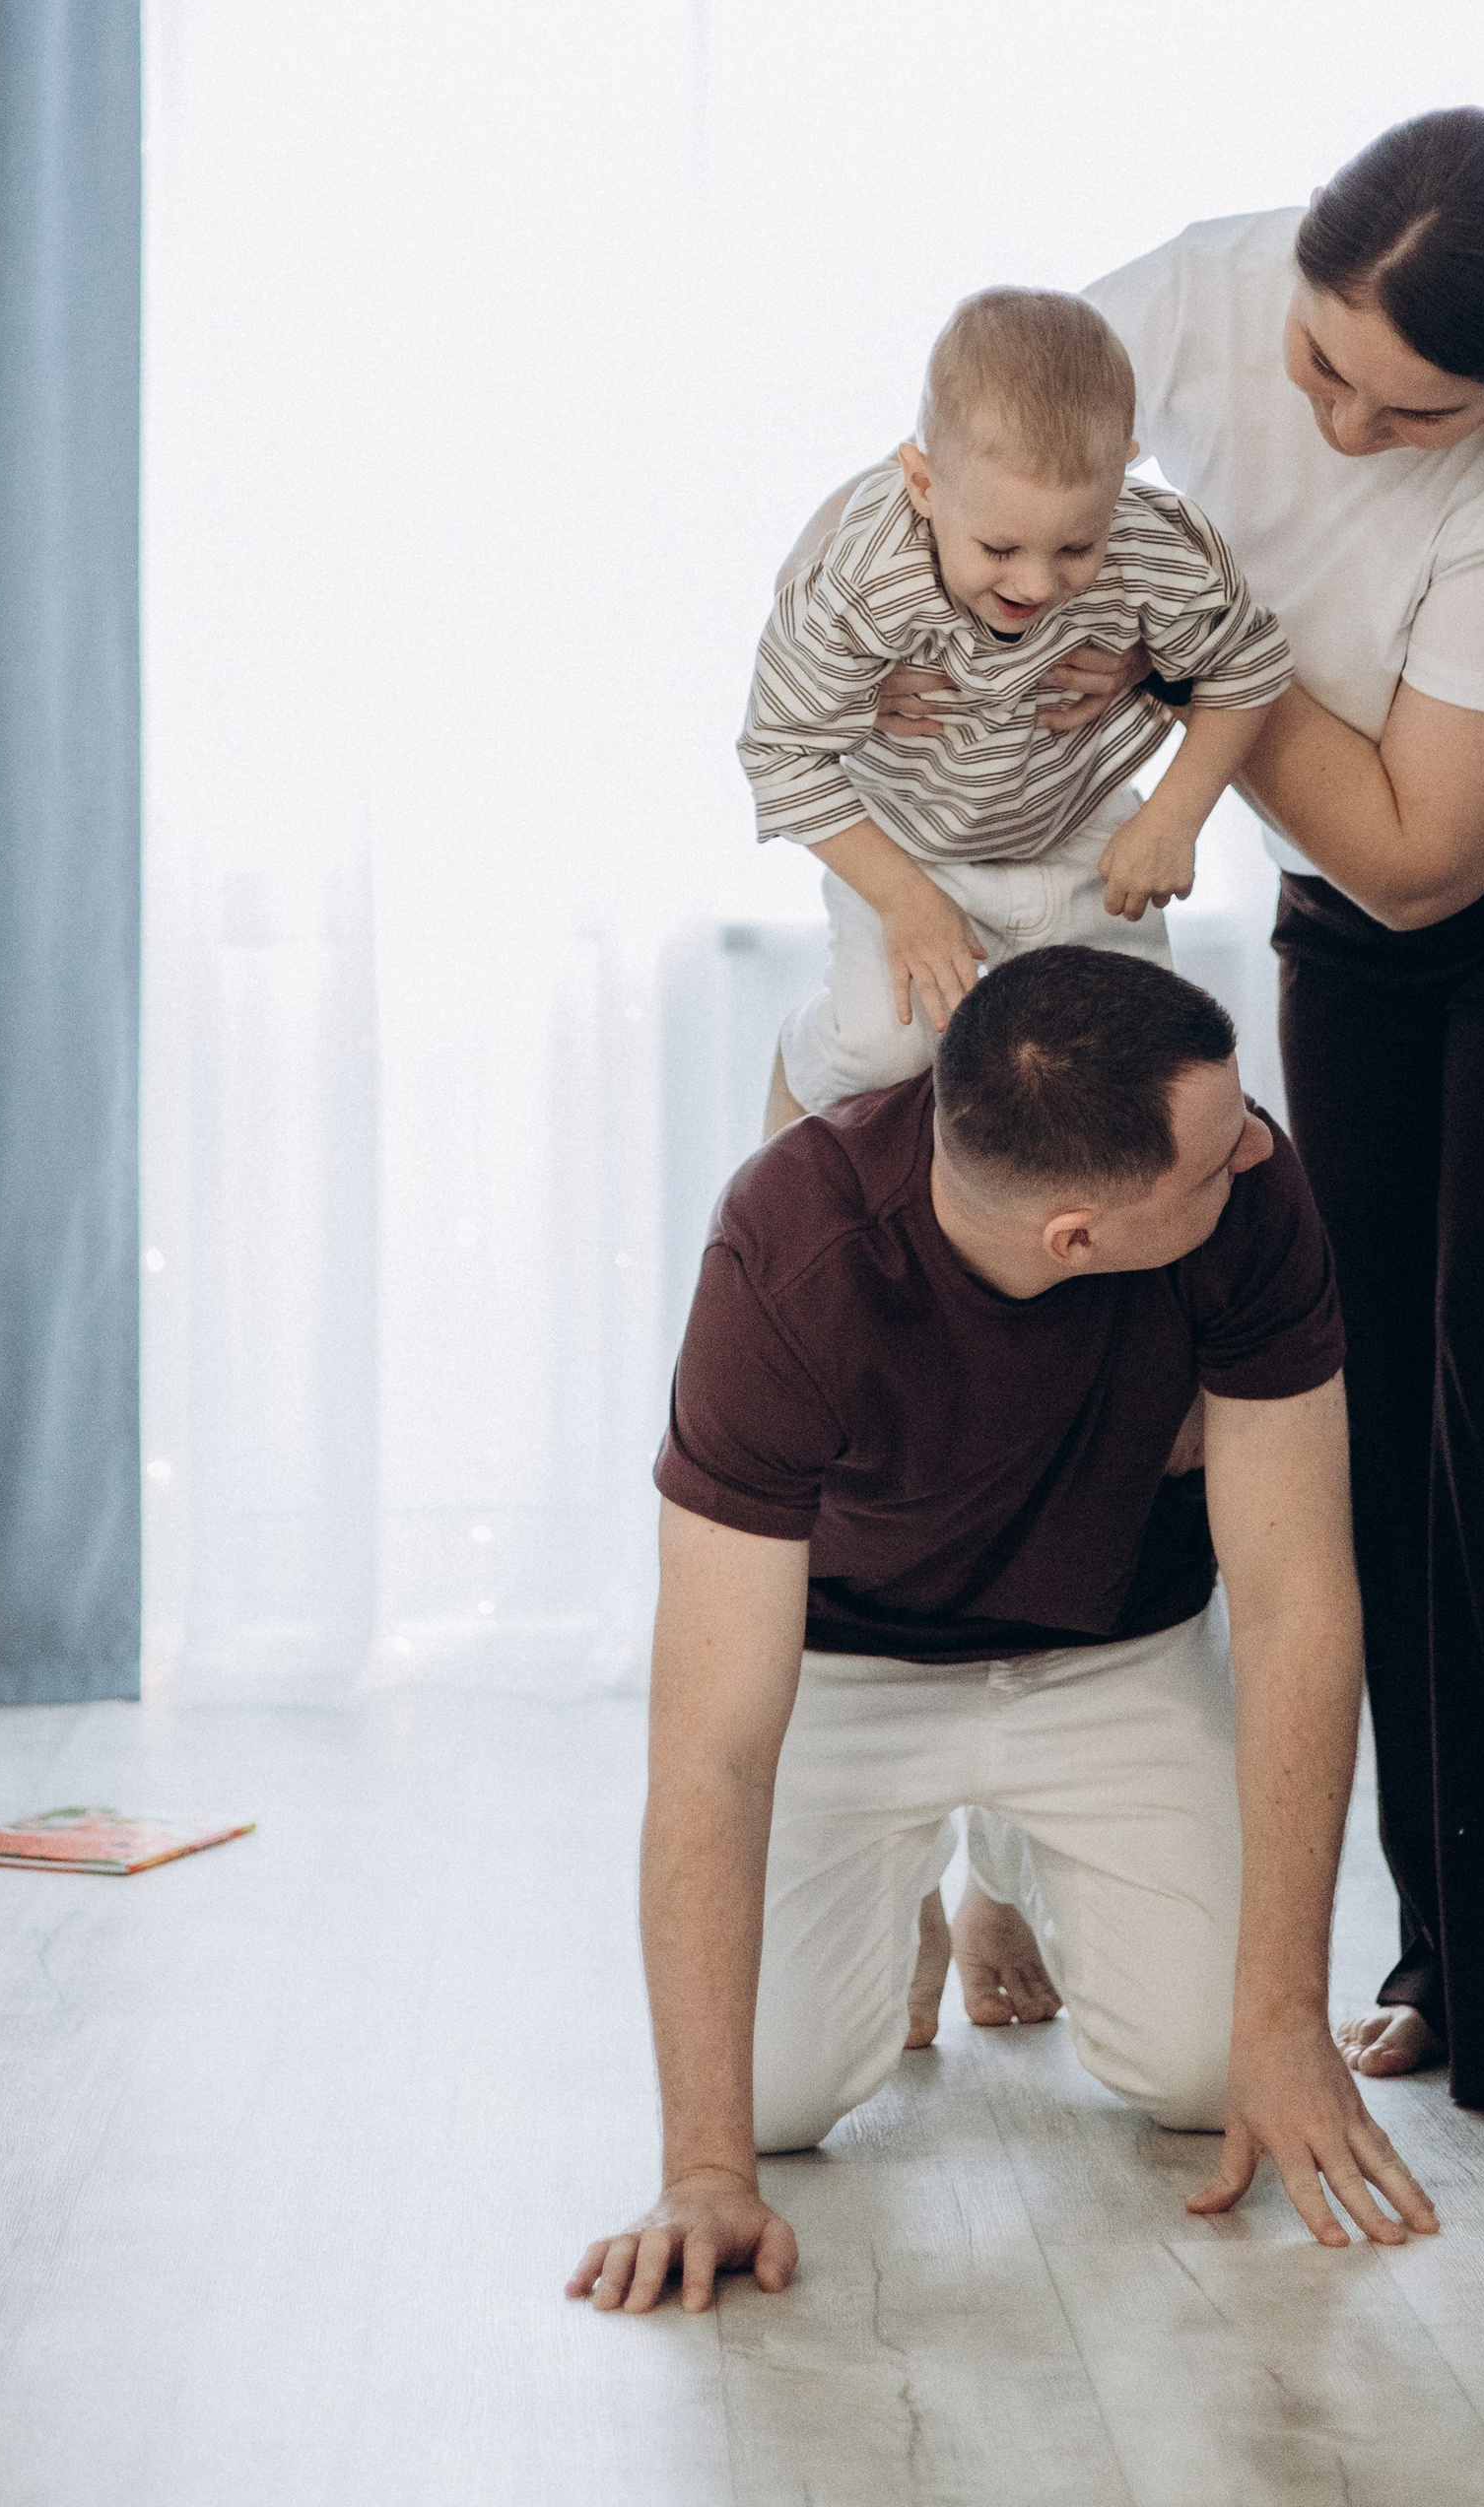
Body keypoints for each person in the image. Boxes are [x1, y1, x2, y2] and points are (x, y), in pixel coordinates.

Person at [869, 114, 1484, 2163]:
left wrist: (1195, 641)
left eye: (1415, 407)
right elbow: (970, 485)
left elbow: (1403, 857)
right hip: (1377, 860)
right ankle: (1463, 1956)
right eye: (1321, 370)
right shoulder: (1191, 300)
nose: (1347, 424)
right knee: (1355, 1399)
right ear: (1289, 268)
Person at [567, 947, 1439, 2316]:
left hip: (1112, 1646)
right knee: (775, 2104)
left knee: (1220, 2078)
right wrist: (701, 2173)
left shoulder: (1253, 1193)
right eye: (1212, 1163)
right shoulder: (788, 1257)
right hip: (854, 1666)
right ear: (1076, 1233)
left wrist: (1283, 2019)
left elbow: (1295, 1609)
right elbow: (714, 1748)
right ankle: (903, 1883)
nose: (1260, 1152)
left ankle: (1011, 1866)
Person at [739, 286, 1289, 1127]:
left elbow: (1246, 667)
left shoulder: (1157, 543)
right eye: (997, 548)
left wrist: (1175, 815)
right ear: (923, 484)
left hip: (1077, 830)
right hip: (906, 845)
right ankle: (804, 1058)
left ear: (1125, 470)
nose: (1036, 584)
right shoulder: (863, 577)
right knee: (884, 1052)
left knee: (1131, 1060)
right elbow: (780, 750)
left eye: (1077, 545)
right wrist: (903, 900)